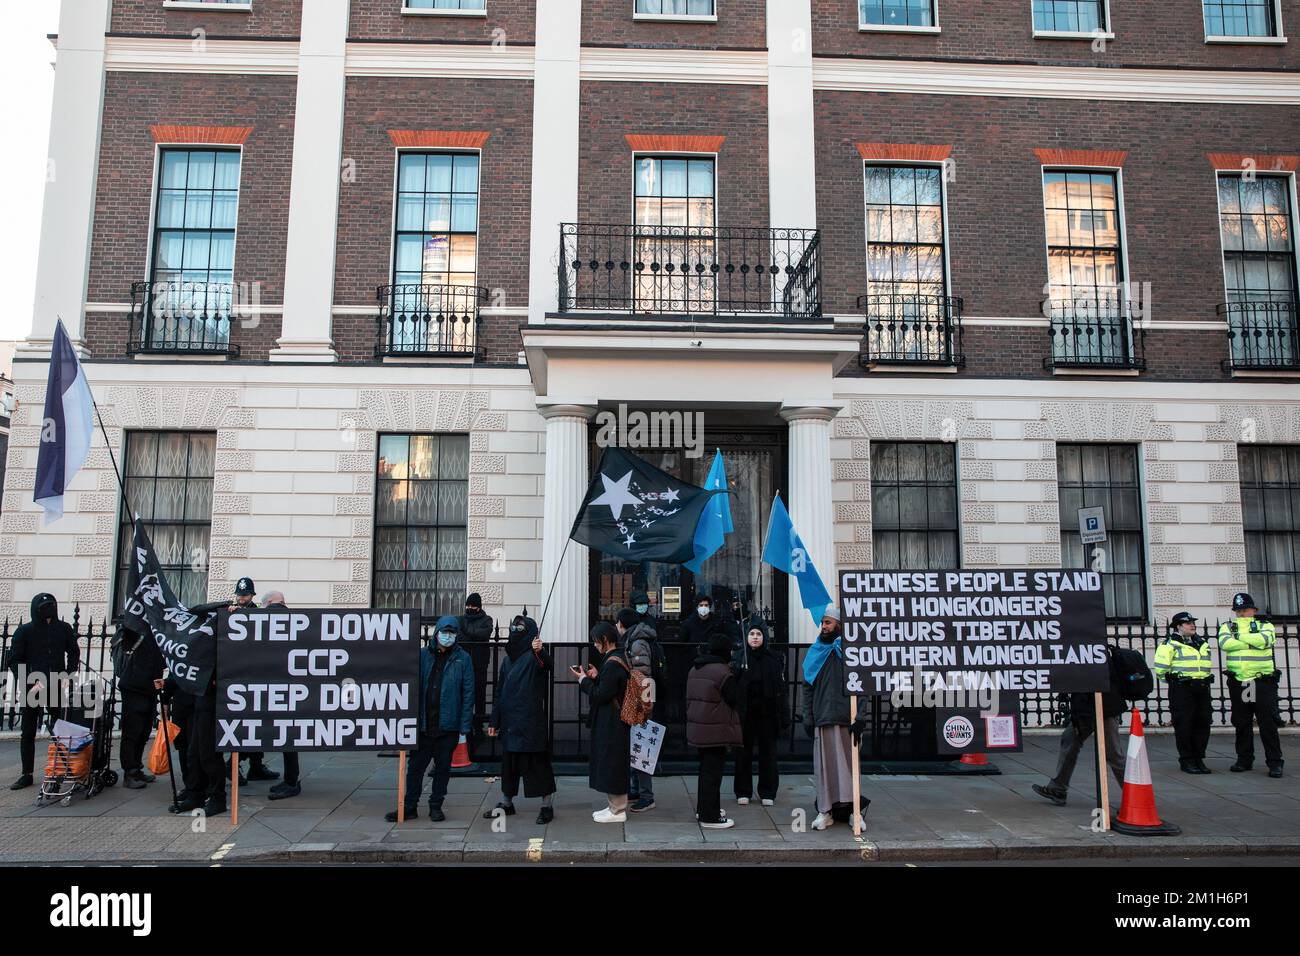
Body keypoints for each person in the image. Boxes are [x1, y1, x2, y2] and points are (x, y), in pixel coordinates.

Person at [387, 615, 474, 822]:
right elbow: (410, 685)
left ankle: (436, 806)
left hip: (448, 725)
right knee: (415, 768)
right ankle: (409, 806)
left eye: (452, 633)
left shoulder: (463, 659)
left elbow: (468, 693)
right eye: (445, 632)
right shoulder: (423, 655)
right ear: (437, 633)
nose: (448, 637)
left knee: (442, 769)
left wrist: (464, 727)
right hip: (424, 724)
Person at [1032, 645, 1127, 807]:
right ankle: (1058, 787)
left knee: (1112, 754)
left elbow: (1092, 681)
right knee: (1070, 741)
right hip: (1086, 708)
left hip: (1104, 708)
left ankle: (1134, 795)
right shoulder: (1077, 648)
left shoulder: (1092, 648)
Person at [484, 613, 556, 824]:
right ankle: (507, 803)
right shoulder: (507, 660)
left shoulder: (536, 657)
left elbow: (548, 665)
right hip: (509, 723)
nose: (516, 631)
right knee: (509, 766)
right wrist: (494, 720)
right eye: (514, 628)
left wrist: (540, 651)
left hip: (530, 721)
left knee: (537, 766)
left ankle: (546, 805)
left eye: (521, 628)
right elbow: (499, 692)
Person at [6, 593, 81, 790]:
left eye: (51, 605)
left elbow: (73, 651)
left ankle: (64, 767)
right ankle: (26, 773)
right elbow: (14, 660)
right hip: (33, 686)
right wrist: (29, 681)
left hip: (55, 684)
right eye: (45, 606)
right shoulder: (25, 631)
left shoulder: (63, 629)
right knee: (28, 730)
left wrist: (68, 674)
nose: (49, 609)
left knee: (60, 728)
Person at [800, 607, 856, 830]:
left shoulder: (850, 651)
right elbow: (807, 688)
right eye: (823, 622)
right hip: (822, 717)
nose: (824, 626)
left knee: (849, 769)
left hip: (846, 719)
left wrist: (860, 716)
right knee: (824, 769)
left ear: (839, 626)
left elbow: (861, 687)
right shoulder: (815, 652)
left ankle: (854, 810)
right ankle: (825, 811)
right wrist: (807, 717)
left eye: (828, 622)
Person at [221, 578, 280, 786]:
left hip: (256, 676)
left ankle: (255, 765)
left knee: (257, 725)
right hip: (241, 678)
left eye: (245, 595)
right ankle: (233, 764)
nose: (242, 598)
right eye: (240, 594)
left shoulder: (257, 614)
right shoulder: (230, 612)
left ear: (252, 596)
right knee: (243, 726)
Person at [1218, 593, 1283, 778]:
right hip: (1241, 681)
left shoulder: (1266, 625)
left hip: (1262, 681)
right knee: (1242, 722)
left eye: (1244, 610)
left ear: (1253, 610)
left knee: (1267, 722)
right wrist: (1249, 642)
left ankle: (1275, 762)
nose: (1241, 613)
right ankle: (1244, 759)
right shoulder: (1227, 627)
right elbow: (1225, 644)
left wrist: (1239, 638)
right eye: (1238, 610)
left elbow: (1265, 641)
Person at [575, 622, 631, 823]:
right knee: (610, 761)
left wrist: (584, 681)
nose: (595, 645)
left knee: (612, 762)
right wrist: (598, 677)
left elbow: (600, 695)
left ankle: (618, 810)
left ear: (605, 640)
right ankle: (613, 806)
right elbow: (610, 688)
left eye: (596, 641)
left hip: (613, 721)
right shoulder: (615, 660)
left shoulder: (613, 663)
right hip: (613, 719)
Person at [687, 631, 742, 829]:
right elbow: (734, 699)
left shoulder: (695, 668)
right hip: (716, 730)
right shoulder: (723, 673)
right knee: (713, 773)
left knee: (705, 771)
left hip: (698, 728)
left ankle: (705, 808)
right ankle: (709, 817)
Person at [733, 616, 787, 806]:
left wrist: (783, 715)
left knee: (768, 754)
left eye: (758, 634)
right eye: (751, 634)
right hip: (745, 714)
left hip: (767, 714)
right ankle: (743, 790)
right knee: (743, 754)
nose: (755, 637)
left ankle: (768, 791)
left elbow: (781, 689)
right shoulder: (739, 657)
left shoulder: (773, 659)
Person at [1154, 611, 1213, 774]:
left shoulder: (1201, 642)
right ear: (1178, 627)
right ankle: (1187, 760)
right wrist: (1176, 682)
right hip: (1182, 688)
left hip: (1202, 688)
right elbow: (1160, 668)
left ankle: (1198, 758)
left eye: (1193, 622)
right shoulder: (1169, 645)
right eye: (1188, 623)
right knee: (1184, 724)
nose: (1192, 625)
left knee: (1203, 723)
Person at [111, 622, 166, 789]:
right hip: (134, 686)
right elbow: (128, 633)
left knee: (144, 730)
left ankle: (137, 768)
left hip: (149, 686)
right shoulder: (136, 628)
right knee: (132, 731)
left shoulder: (157, 629)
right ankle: (130, 771)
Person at [617, 606, 661, 812]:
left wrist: (642, 709)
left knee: (642, 749)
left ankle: (647, 795)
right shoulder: (635, 641)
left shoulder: (636, 644)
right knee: (635, 747)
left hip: (640, 705)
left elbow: (643, 677)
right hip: (638, 703)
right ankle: (637, 789)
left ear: (622, 624)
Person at [261, 592, 302, 800]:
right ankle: (291, 779)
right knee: (289, 736)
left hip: (270, 685)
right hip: (292, 687)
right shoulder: (296, 619)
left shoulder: (262, 619)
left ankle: (291, 782)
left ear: (268, 603)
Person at [459, 592, 495, 745]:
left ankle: (479, 727)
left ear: (479, 607)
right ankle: (465, 727)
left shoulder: (487, 620)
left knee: (480, 694)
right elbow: (460, 637)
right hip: (464, 663)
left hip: (480, 663)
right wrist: (472, 635)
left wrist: (469, 633)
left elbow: (485, 633)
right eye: (468, 605)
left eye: (473, 605)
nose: (470, 608)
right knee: (465, 694)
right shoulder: (461, 619)